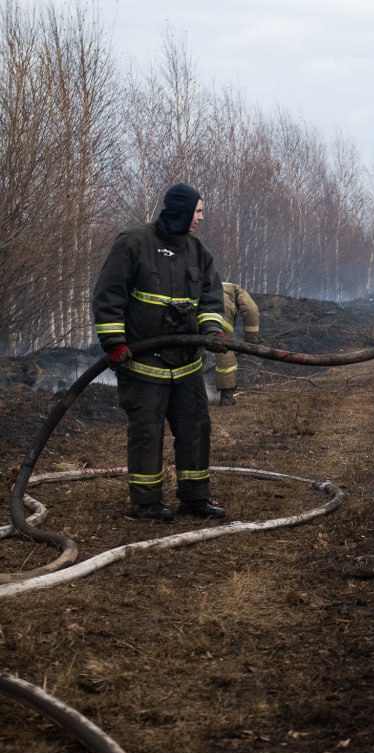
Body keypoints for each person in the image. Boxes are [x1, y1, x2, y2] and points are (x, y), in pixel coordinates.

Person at [92, 183, 231, 521]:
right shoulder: (134, 244)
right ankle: (146, 503)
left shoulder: (198, 253)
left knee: (196, 428)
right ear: (181, 212)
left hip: (186, 368)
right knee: (146, 432)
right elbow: (109, 296)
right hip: (143, 366)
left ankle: (195, 498)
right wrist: (115, 343)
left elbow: (212, 301)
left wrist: (212, 330)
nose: (201, 217)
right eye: (198, 211)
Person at [214, 281, 261, 406]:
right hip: (220, 318)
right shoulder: (234, 289)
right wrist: (252, 339)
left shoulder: (204, 283)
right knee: (224, 349)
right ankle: (227, 397)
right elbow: (252, 310)